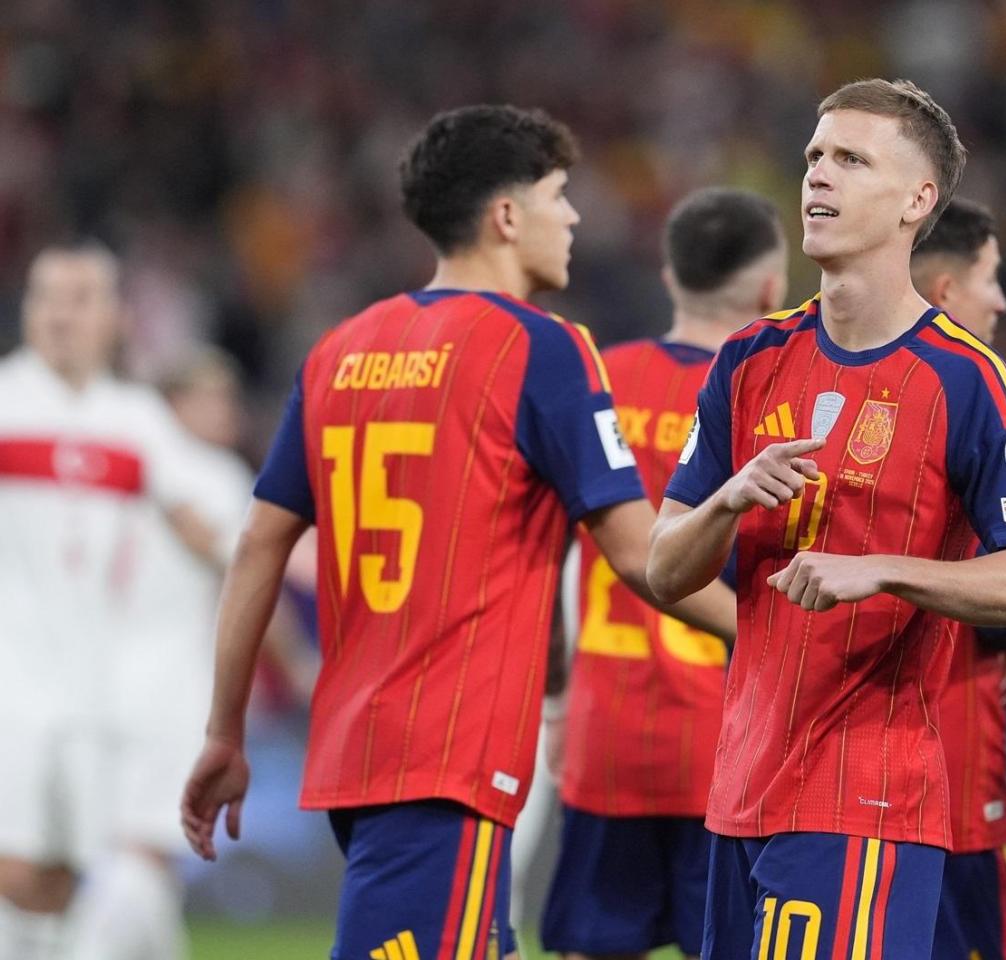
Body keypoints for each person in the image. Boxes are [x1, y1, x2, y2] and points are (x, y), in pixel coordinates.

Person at [178, 104, 737, 960]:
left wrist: (225, 731)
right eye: (559, 195)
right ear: (507, 216)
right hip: (449, 759)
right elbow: (640, 555)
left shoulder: (339, 350)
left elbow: (260, 543)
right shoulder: (544, 350)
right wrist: (778, 635)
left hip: (355, 753)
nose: (575, 216)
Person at [649, 79, 1006, 959]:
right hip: (739, 793)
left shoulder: (970, 380)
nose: (818, 177)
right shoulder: (749, 359)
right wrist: (727, 500)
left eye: (850, 159)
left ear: (919, 201)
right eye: (813, 157)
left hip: (866, 799)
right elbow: (663, 568)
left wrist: (884, 568)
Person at [538, 187, 788, 960]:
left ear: (671, 275)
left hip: (604, 735)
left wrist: (554, 699)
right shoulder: (770, 396)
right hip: (734, 743)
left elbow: (546, 557)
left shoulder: (596, 381)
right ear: (772, 288)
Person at [0, 242, 213, 959]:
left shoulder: (135, 419)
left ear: (115, 317)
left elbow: (201, 524)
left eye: (79, 298)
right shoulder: (5, 400)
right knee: (15, 865)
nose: (60, 315)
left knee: (63, 873)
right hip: (10, 677)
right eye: (46, 298)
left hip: (93, 692)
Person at [65, 348, 261, 960]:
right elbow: (242, 571)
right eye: (210, 396)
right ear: (172, 406)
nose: (225, 409)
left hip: (97, 671)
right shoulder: (209, 473)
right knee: (145, 849)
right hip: (170, 679)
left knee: (128, 851)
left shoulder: (120, 468)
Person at [908, 198, 1006, 960]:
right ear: (947, 293)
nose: (1002, 299)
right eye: (990, 278)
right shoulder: (980, 392)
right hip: (953, 759)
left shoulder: (813, 373)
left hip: (836, 776)